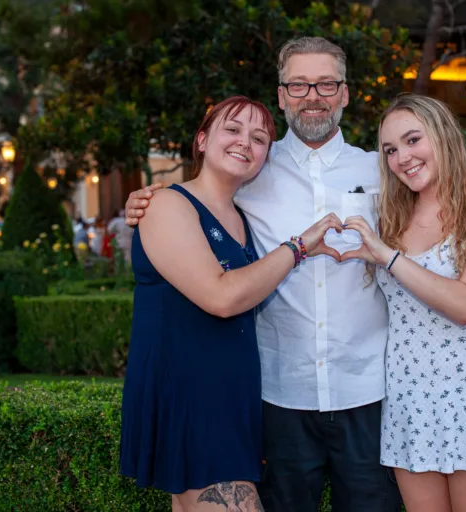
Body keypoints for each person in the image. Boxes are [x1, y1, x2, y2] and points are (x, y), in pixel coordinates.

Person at [124, 37, 466, 512]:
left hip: (370, 391)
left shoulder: (384, 169)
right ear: (281, 95)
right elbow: (201, 205)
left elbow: (443, 197)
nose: (312, 95)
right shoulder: (251, 165)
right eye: (298, 84)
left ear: (345, 94)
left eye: (325, 84)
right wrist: (148, 200)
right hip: (280, 392)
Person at [119, 95, 343, 512]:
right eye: (233, 129)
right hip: (191, 394)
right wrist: (299, 245)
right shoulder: (167, 204)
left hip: (231, 396)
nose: (246, 142)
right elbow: (221, 297)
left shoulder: (242, 215)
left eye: (260, 138)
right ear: (202, 140)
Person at [340, 94, 466, 511]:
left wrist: (387, 256)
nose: (402, 157)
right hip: (408, 399)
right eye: (390, 150)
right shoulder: (387, 218)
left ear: (442, 137)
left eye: (412, 140)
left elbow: (465, 305)